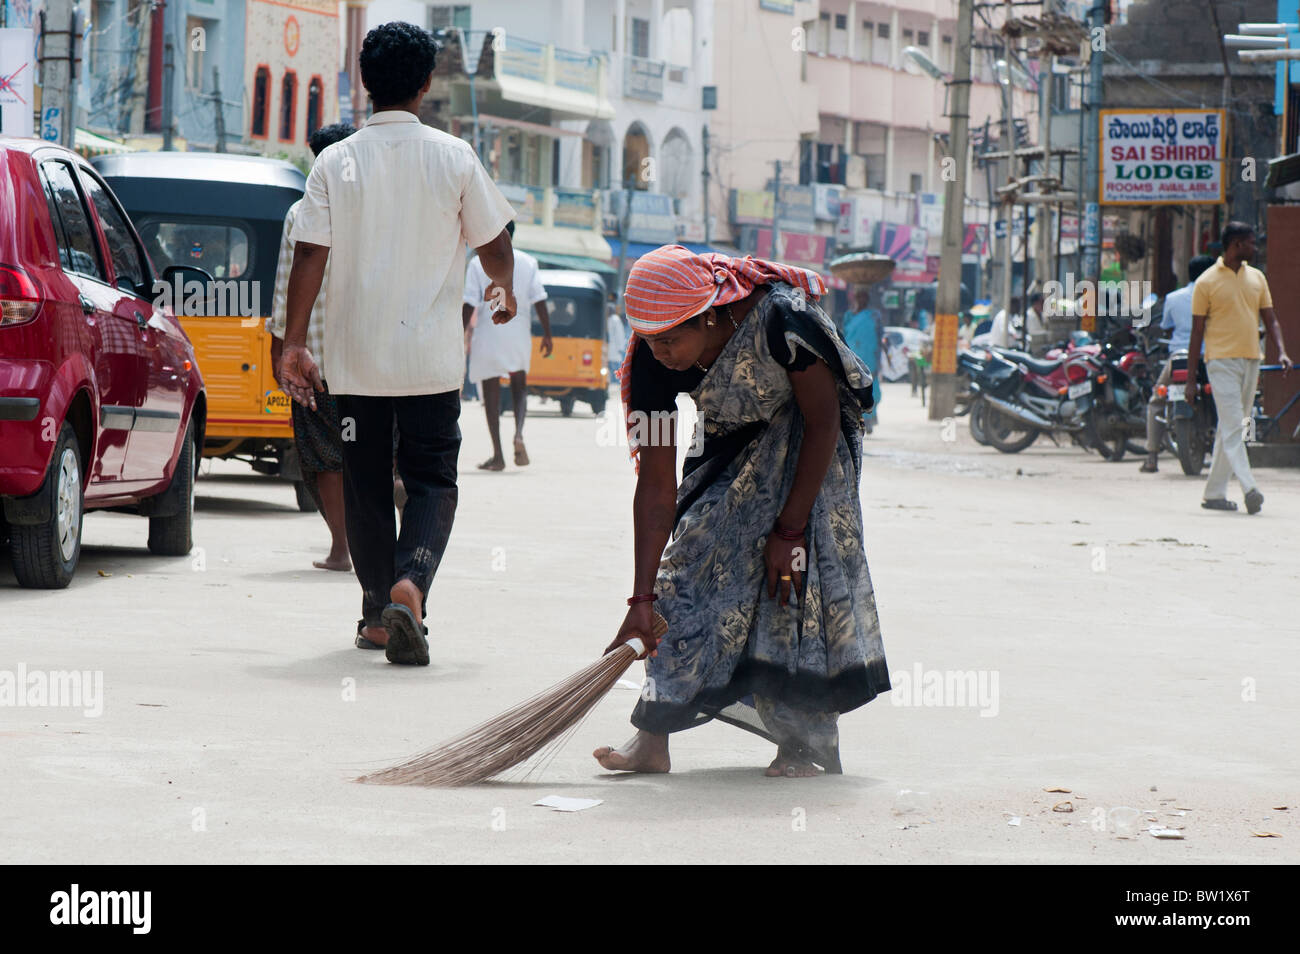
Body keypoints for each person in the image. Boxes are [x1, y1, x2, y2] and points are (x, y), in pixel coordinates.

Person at [591, 245, 891, 779]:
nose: (661, 352)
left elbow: (823, 421)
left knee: (795, 587)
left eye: (672, 339)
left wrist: (792, 529)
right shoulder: (649, 361)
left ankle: (802, 746)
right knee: (679, 580)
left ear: (709, 313)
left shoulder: (784, 321)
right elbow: (657, 485)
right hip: (727, 448)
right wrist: (640, 598)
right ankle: (652, 741)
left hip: (811, 449)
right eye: (650, 339)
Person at [279, 21, 517, 665]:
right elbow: (495, 245)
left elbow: (309, 252)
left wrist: (293, 342)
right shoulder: (454, 157)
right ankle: (409, 586)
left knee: (364, 484)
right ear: (425, 84)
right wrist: (505, 287)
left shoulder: (335, 161)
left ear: (365, 83)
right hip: (431, 365)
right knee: (433, 478)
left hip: (357, 365)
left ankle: (377, 611)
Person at [268, 122, 357, 575]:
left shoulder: (302, 211)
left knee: (326, 458)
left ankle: (342, 549)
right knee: (370, 451)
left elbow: (287, 285)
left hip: (315, 361)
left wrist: (280, 350)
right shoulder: (374, 209)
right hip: (371, 361)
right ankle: (379, 542)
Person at [1185, 223, 1292, 514]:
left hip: (1251, 359)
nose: (1255, 248)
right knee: (1234, 427)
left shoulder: (1257, 278)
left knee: (1231, 427)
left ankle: (1214, 493)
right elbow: (1196, 333)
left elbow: (1271, 320)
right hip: (1220, 362)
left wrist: (1281, 351)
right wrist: (1192, 379)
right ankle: (1250, 488)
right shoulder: (1206, 282)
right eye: (1250, 243)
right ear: (1234, 245)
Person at [462, 220, 552, 470]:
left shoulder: (477, 263)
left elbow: (469, 301)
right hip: (518, 328)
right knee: (519, 385)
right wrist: (547, 334)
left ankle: (498, 455)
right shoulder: (528, 261)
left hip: (489, 328)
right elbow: (539, 299)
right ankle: (519, 433)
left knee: (490, 390)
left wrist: (459, 335)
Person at [1140, 254, 1215, 473]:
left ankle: (1152, 456)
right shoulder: (1217, 297)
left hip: (1179, 357)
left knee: (1156, 401)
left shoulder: (1173, 298)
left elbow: (1165, 325)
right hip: (1210, 357)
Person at [842, 287, 883, 432]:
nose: (862, 300)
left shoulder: (874, 315)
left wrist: (879, 358)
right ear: (855, 298)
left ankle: (869, 419)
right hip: (852, 357)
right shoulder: (849, 316)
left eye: (864, 297)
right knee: (852, 389)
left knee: (873, 391)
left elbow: (879, 336)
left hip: (870, 357)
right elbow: (844, 336)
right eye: (859, 297)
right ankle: (856, 419)